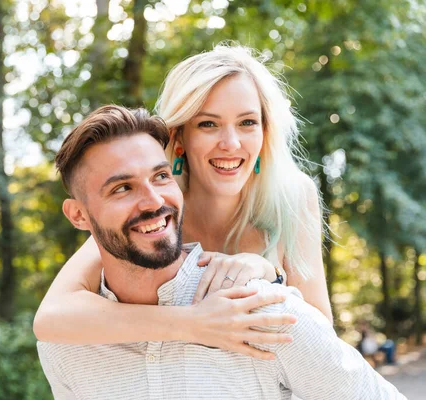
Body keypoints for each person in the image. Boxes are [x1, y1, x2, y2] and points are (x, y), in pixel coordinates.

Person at [37, 105, 405, 399]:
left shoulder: (261, 312)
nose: (153, 201)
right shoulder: (68, 346)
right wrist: (193, 324)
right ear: (78, 215)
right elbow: (48, 319)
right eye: (122, 188)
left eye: (160, 177)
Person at [34, 44, 331, 358]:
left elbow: (324, 340)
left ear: (265, 131)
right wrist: (194, 324)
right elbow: (52, 316)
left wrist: (269, 272)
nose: (231, 144)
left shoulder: (294, 195)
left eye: (247, 123)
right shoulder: (156, 208)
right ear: (179, 138)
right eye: (208, 124)